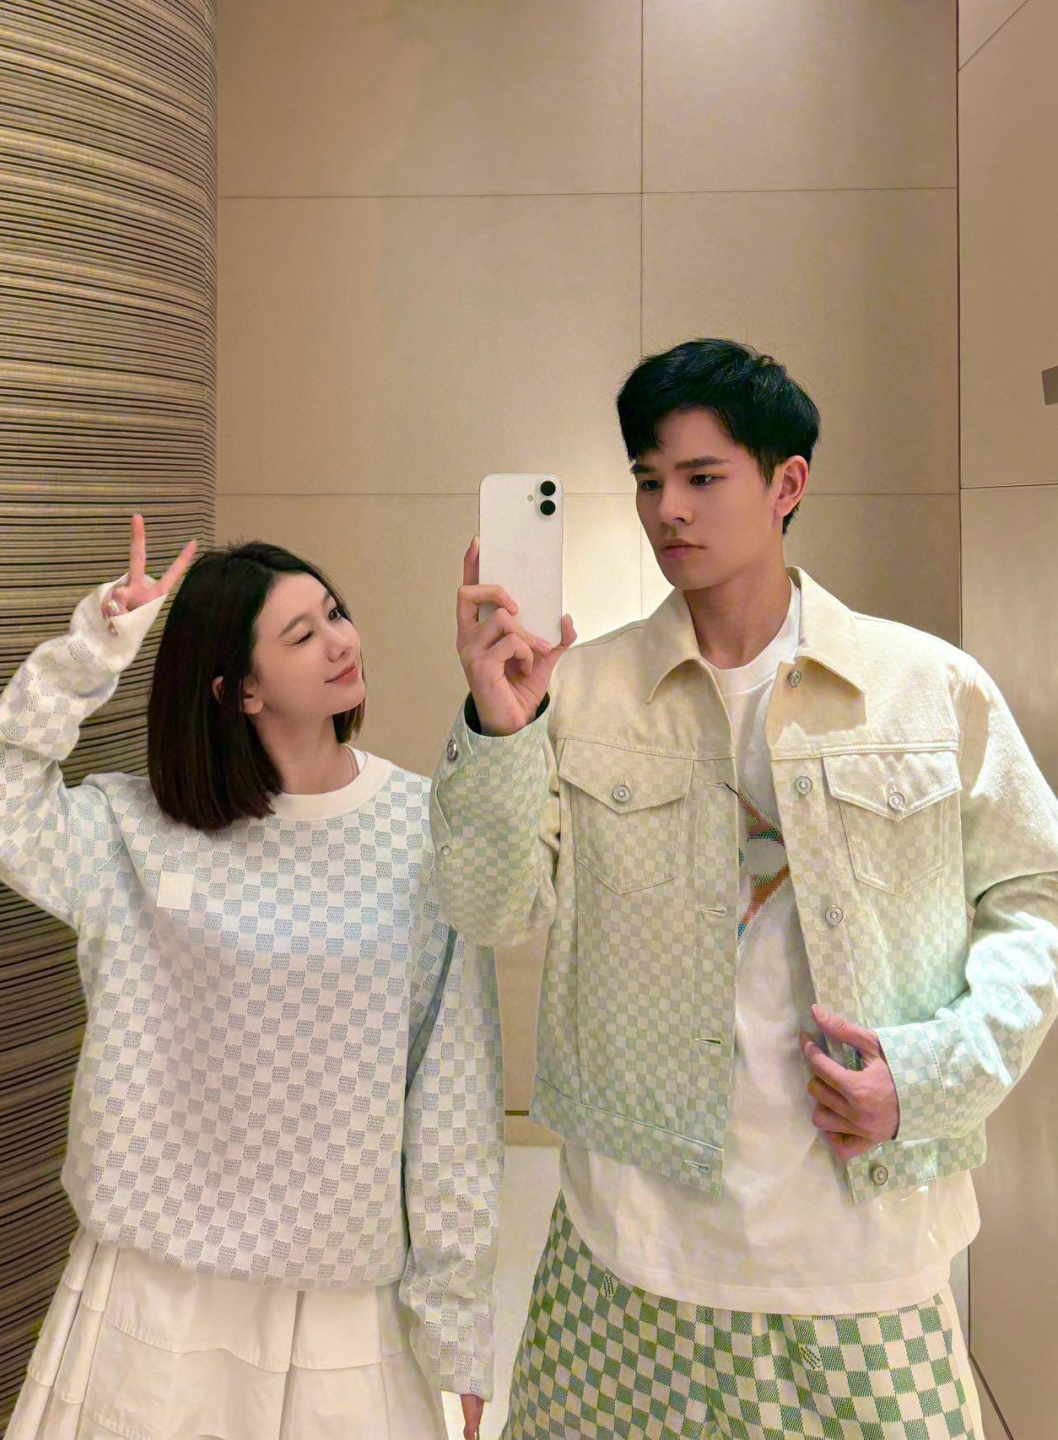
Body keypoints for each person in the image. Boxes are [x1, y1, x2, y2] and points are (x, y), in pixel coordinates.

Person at [430, 338, 1058, 1438]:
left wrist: (932, 1077)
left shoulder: (926, 687)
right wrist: (499, 727)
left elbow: (1036, 896)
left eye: (701, 476)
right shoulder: (581, 691)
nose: (667, 508)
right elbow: (489, 910)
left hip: (860, 1256)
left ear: (786, 484)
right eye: (647, 479)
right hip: (630, 1247)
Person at [0, 516, 501, 1440]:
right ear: (239, 690)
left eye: (334, 613)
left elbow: (453, 1089)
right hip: (151, 1283)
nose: (340, 640)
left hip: (337, 1291)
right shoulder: (134, 831)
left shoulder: (425, 830)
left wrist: (456, 1323)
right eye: (302, 634)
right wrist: (91, 652)